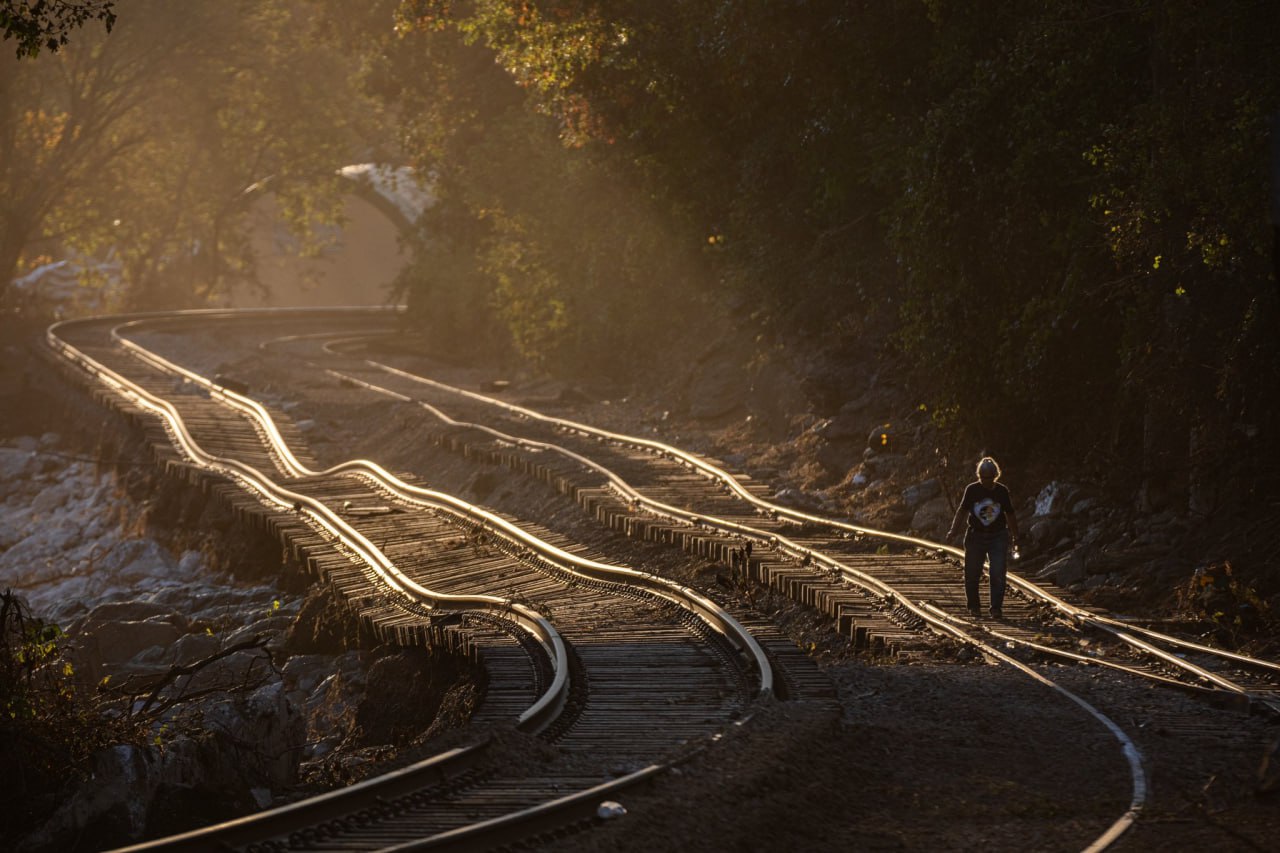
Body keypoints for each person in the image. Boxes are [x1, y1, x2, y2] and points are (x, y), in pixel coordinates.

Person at [946, 456, 1020, 618]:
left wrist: (1016, 536)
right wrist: (953, 531)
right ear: (979, 476)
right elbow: (962, 511)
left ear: (995, 476)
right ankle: (974, 607)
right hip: (975, 536)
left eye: (989, 478)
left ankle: (996, 608)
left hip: (998, 536)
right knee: (972, 573)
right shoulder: (972, 490)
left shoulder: (1002, 491)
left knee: (998, 573)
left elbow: (1010, 513)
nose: (986, 481)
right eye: (983, 478)